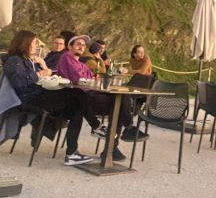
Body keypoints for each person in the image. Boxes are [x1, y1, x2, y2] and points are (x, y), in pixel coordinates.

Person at [2, 30, 93, 166]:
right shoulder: (13, 60)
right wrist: (39, 74)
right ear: (24, 43)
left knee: (76, 111)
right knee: (77, 94)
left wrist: (42, 70)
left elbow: (37, 76)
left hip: (37, 95)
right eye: (34, 43)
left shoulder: (26, 60)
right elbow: (19, 83)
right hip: (29, 99)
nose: (36, 47)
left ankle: (72, 154)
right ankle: (96, 126)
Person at [57, 35, 147, 160]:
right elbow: (80, 79)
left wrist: (95, 77)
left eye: (83, 45)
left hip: (88, 96)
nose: (81, 46)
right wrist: (94, 77)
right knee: (119, 103)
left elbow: (95, 77)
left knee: (121, 100)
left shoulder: (82, 64)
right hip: (77, 98)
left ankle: (120, 137)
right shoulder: (67, 57)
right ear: (69, 46)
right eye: (78, 44)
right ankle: (118, 136)